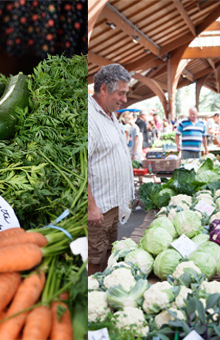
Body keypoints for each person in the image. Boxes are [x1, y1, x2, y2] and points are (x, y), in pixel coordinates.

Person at [88, 64, 134, 275]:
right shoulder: (89, 117)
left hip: (112, 204)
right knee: (94, 261)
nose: (124, 99)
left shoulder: (110, 114)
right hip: (98, 208)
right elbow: (80, 166)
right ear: (104, 89)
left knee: (108, 255)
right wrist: (90, 206)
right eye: (121, 93)